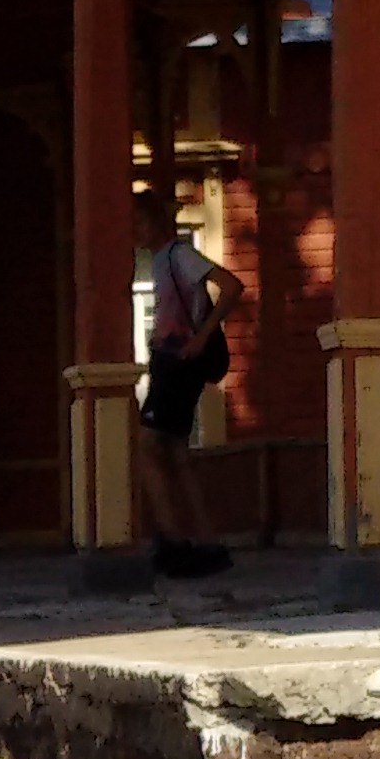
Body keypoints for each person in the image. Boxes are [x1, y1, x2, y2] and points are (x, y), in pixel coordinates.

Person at [137, 194, 245, 580]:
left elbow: (231, 286)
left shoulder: (179, 255)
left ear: (155, 220)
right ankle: (207, 542)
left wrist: (201, 337)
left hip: (179, 362)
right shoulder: (160, 261)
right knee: (175, 452)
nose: (134, 231)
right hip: (169, 360)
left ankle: (174, 538)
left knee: (146, 444)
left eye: (139, 221)